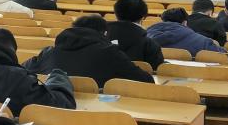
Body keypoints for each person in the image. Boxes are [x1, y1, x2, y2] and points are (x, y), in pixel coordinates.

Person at [24, 15, 154, 87]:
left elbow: (23, 70)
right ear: (105, 33)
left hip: (52, 112)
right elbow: (146, 81)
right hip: (97, 114)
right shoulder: (110, 53)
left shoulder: (49, 52)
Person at [107, 0, 164, 70]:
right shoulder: (149, 44)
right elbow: (158, 70)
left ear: (116, 14)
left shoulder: (100, 36)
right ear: (142, 17)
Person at [147, 8, 226, 57]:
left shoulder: (145, 36)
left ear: (163, 21)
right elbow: (223, 55)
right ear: (185, 23)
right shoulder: (202, 41)